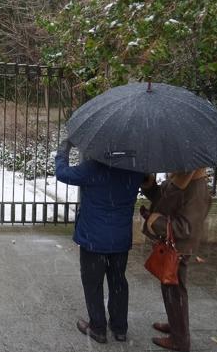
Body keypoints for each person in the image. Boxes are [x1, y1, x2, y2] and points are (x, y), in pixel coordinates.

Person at [55, 140, 147, 343]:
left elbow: (62, 174)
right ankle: (120, 328)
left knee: (93, 282)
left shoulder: (93, 169)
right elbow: (148, 182)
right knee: (118, 281)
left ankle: (98, 327)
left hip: (93, 239)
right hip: (120, 239)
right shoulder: (135, 169)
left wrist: (64, 150)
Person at [140, 169, 211, 352]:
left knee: (175, 291)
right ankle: (175, 324)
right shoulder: (182, 177)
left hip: (180, 247)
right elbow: (166, 201)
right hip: (174, 245)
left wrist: (156, 222)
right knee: (170, 288)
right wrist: (150, 186)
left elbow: (186, 227)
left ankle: (180, 341)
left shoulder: (196, 186)